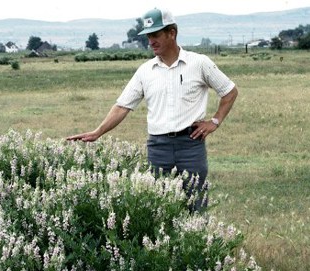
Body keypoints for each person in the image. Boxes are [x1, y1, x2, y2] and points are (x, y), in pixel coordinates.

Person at [66, 8, 238, 212]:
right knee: (160, 208)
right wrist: (97, 132)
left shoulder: (199, 63)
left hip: (191, 145)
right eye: (148, 36)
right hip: (158, 148)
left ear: (171, 33)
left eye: (156, 35)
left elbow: (229, 91)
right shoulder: (145, 71)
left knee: (196, 207)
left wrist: (215, 121)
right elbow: (122, 106)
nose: (151, 41)